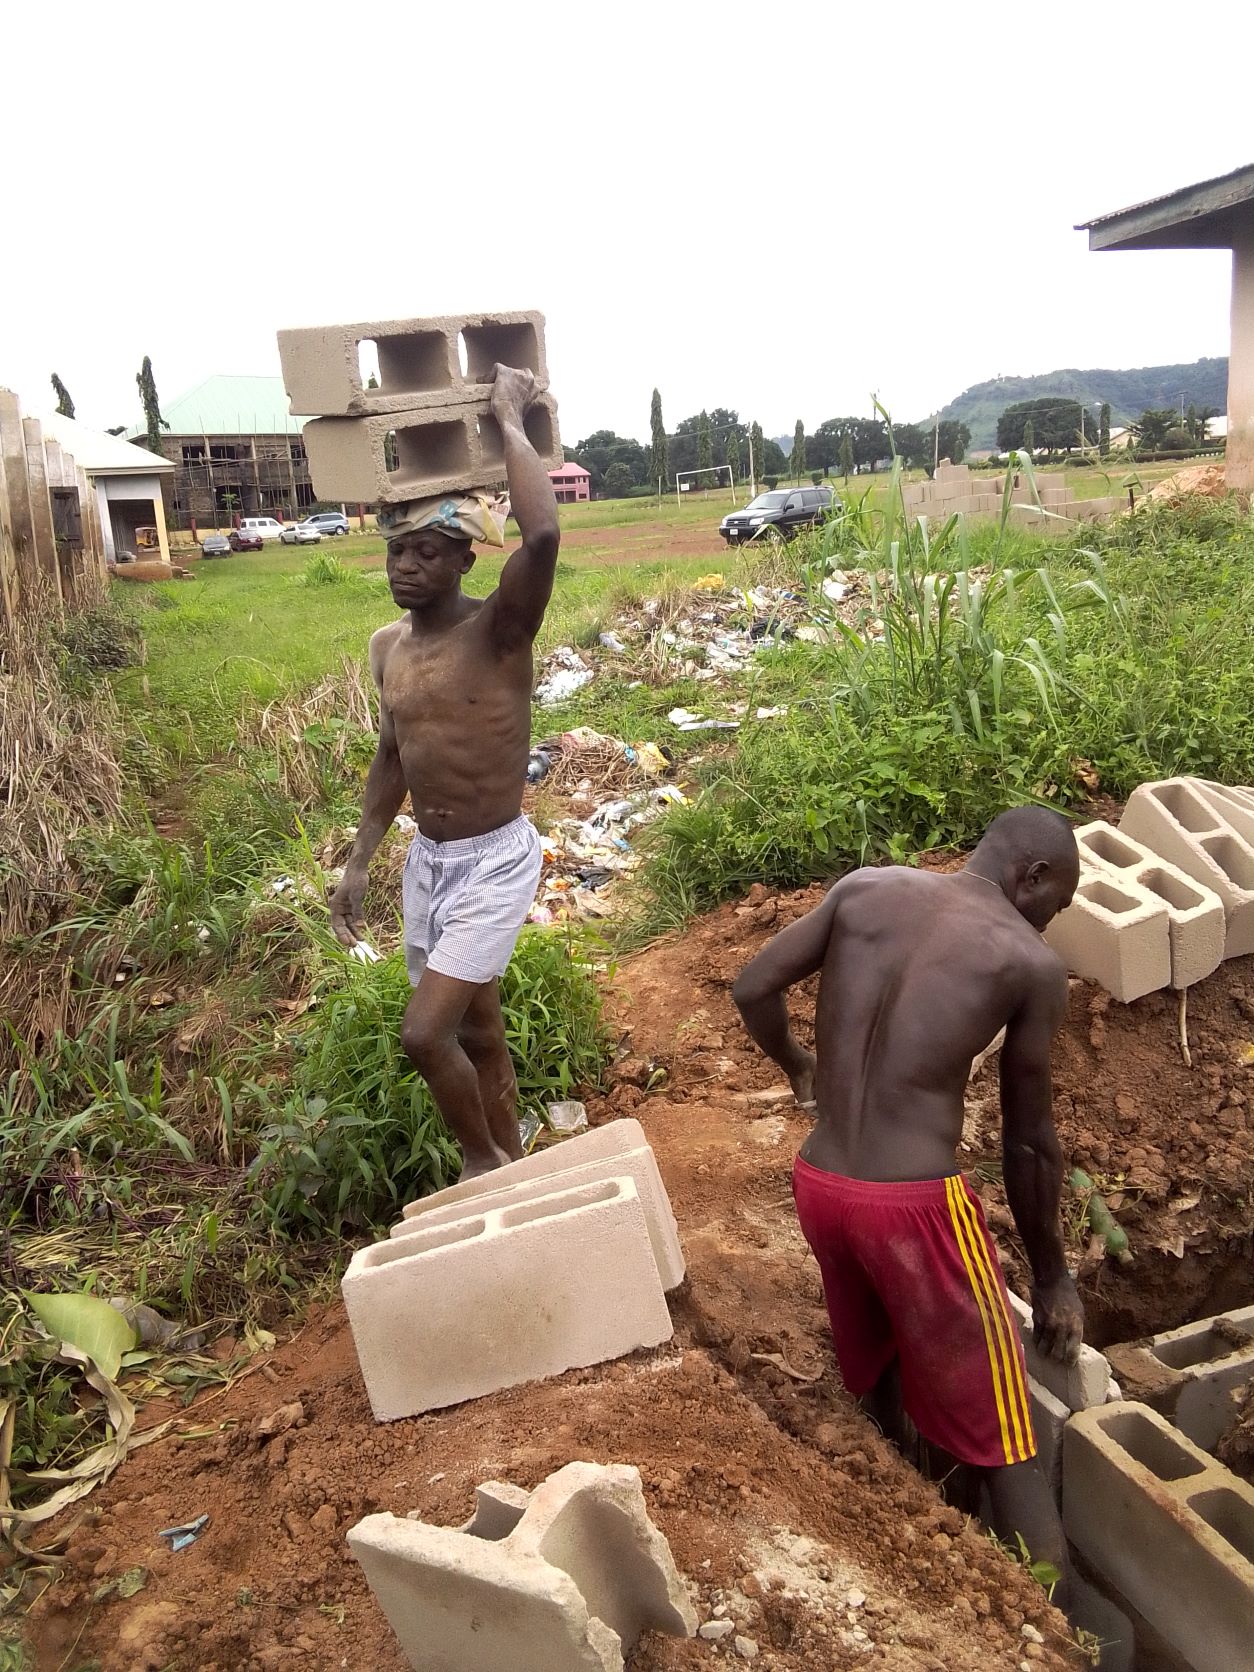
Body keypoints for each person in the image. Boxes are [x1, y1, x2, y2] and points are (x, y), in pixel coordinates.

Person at [731, 808, 1082, 1606]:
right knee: (1009, 1433)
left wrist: (797, 1065)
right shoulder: (1027, 964)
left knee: (881, 1367)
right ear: (1032, 877)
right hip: (915, 1208)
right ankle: (1055, 1620)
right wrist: (1055, 1276)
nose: (1049, 926)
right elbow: (1030, 1144)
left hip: (820, 1185)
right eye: (1055, 906)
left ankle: (906, 1518)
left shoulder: (867, 889)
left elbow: (751, 985)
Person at [328, 365, 558, 1179]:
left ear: (464, 561)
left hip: (496, 860)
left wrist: (509, 425)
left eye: (427, 552)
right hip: (431, 867)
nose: (407, 567)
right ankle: (517, 1162)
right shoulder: (388, 649)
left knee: (424, 1035)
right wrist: (359, 862)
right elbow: (393, 757)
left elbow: (542, 539)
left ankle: (481, 1166)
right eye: (398, 550)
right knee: (478, 1034)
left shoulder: (499, 631)